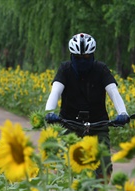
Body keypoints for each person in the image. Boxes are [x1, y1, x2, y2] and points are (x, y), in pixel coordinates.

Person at [44, 33, 130, 181]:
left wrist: (122, 113)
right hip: (69, 124)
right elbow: (55, 91)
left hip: (98, 125)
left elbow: (113, 92)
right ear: (72, 57)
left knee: (104, 167)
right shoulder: (65, 69)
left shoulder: (101, 69)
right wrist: (49, 112)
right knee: (66, 166)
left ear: (92, 56)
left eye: (86, 58)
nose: (82, 62)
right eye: (77, 58)